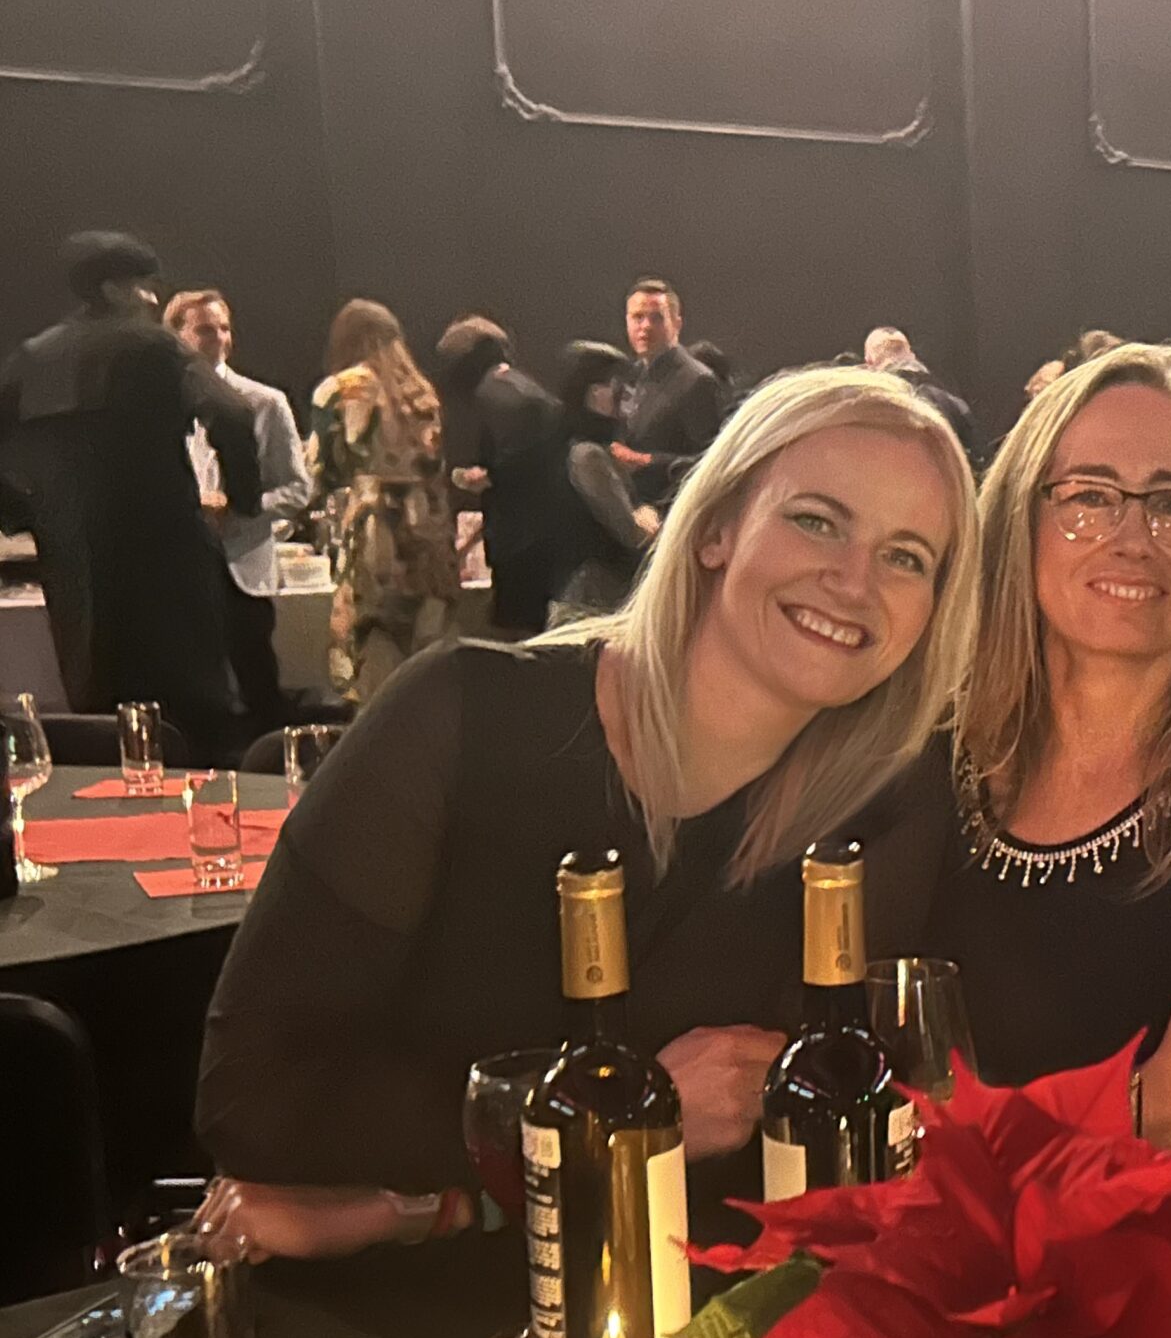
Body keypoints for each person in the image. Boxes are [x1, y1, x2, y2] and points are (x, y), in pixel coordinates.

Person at [195, 364, 982, 1246]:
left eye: (906, 557)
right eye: (816, 521)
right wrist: (633, 1111)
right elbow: (253, 1097)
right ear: (715, 530)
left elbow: (817, 1157)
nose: (854, 582)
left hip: (689, 1296)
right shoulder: (460, 716)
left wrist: (439, 1205)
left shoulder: (892, 807)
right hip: (400, 1304)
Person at [921, 344, 1171, 1153]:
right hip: (916, 1212)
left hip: (1130, 1227)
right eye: (1089, 497)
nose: (1132, 539)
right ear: (1019, 526)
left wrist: (946, 1147)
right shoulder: (933, 748)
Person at [0, 232, 257, 752]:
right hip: (168, 560)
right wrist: (244, 497)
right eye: (143, 286)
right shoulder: (157, 346)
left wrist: (25, 514)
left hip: (76, 573)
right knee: (195, 717)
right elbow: (232, 412)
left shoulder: (29, 358)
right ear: (113, 289)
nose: (152, 298)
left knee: (106, 725)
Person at [165, 288, 314, 734]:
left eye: (225, 329)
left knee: (258, 692)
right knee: (197, 700)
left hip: (244, 569)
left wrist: (241, 511)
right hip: (184, 570)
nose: (220, 339)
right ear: (176, 337)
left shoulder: (265, 402)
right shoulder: (161, 409)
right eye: (205, 330)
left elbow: (297, 489)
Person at [308, 299, 456, 704]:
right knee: (425, 668)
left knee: (370, 662)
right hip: (429, 535)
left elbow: (321, 471)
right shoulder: (422, 394)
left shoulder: (341, 389)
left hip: (375, 536)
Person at [434, 316, 561, 638]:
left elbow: (519, 464)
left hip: (519, 543)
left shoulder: (495, 395)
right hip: (545, 540)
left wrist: (489, 477)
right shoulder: (525, 388)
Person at [545, 340, 658, 622]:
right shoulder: (588, 455)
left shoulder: (575, 446)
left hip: (586, 600)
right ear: (592, 392)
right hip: (592, 604)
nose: (625, 395)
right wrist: (646, 515)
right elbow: (634, 532)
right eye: (614, 384)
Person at [614, 277, 723, 507]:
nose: (645, 326)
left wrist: (646, 461)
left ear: (676, 323)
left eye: (656, 318)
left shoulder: (697, 381)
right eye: (638, 317)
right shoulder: (629, 374)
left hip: (669, 510)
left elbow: (710, 463)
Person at [863, 325, 981, 466]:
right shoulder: (953, 403)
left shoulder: (866, 406)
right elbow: (979, 458)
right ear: (911, 355)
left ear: (869, 361)